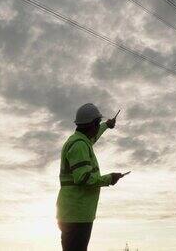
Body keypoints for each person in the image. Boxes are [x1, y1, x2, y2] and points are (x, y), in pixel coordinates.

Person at [56, 103, 126, 251]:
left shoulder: (79, 141)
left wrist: (106, 125)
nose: (98, 125)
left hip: (73, 214)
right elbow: (84, 178)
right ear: (92, 125)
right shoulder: (80, 145)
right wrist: (110, 179)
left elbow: (91, 139)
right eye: (98, 123)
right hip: (77, 215)